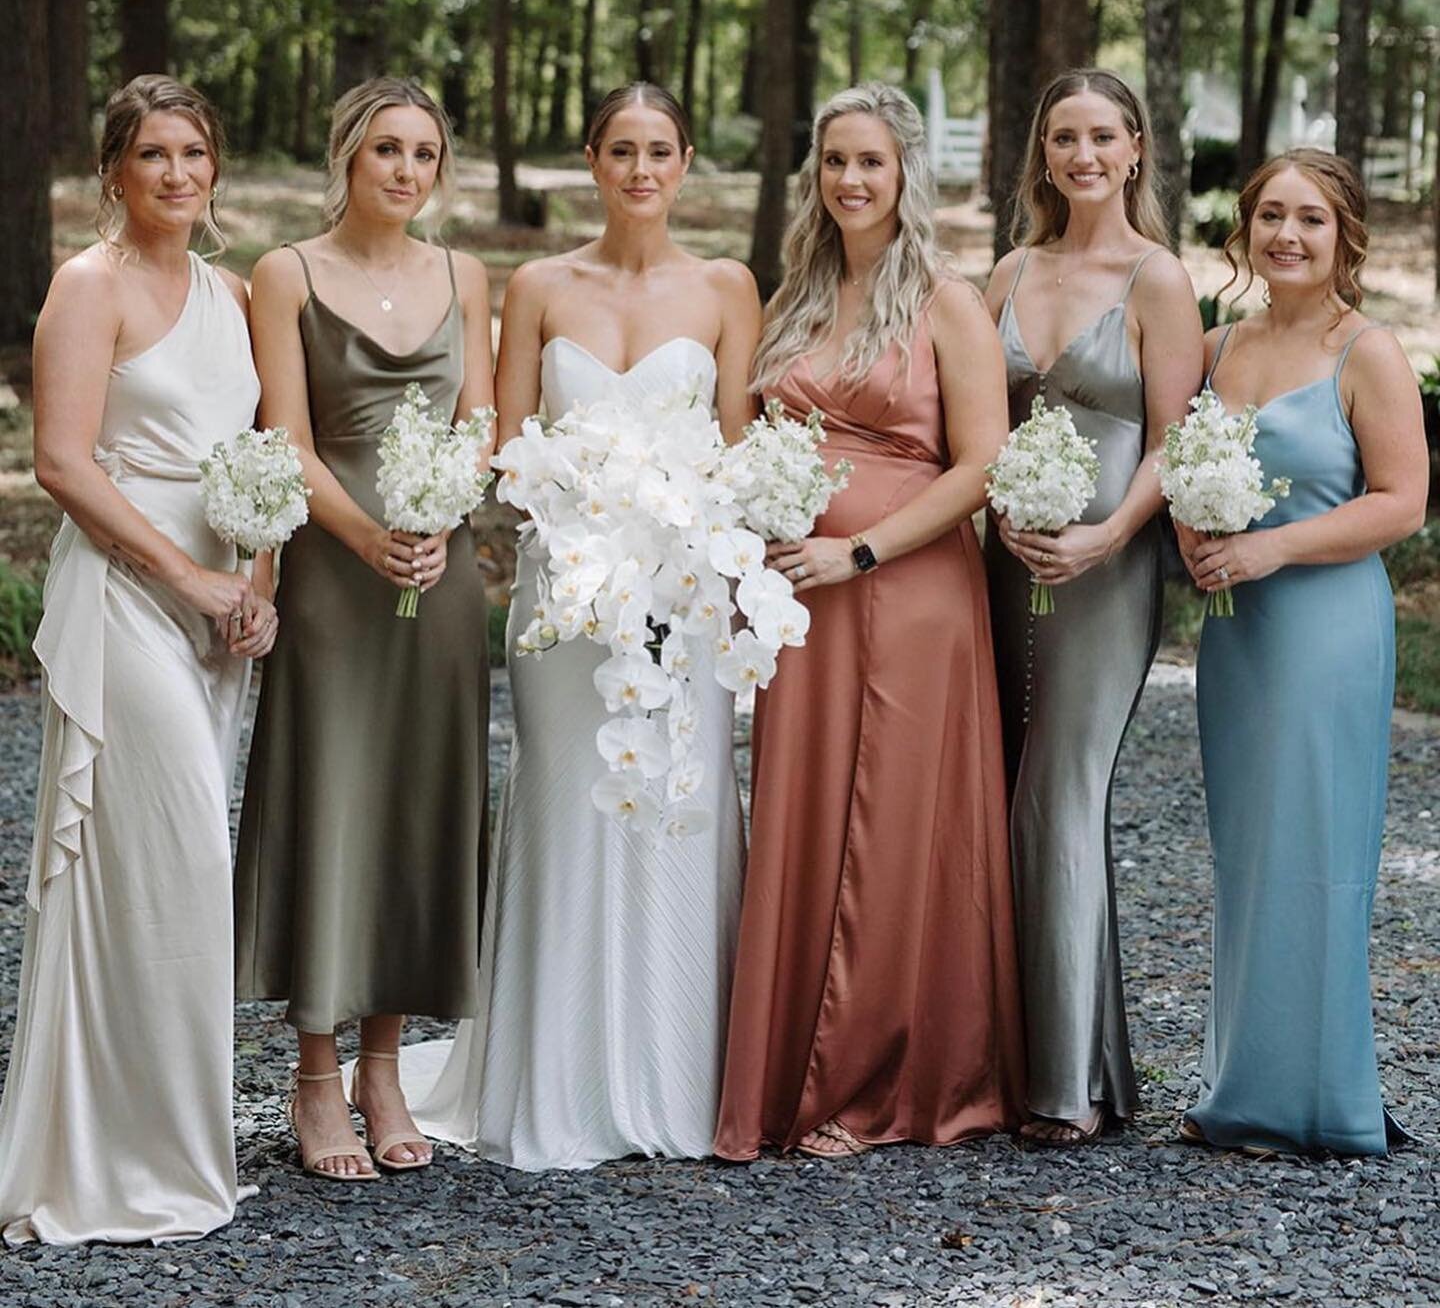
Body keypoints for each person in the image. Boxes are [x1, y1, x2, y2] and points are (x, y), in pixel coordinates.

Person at [395, 81, 761, 1170]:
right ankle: (549, 1074)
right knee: (567, 798)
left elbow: (736, 445)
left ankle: (676, 1068)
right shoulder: (542, 284)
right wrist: (571, 493)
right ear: (592, 161)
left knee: (676, 798)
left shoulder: (727, 286)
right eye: (620, 150)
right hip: (567, 590)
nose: (640, 170)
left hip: (682, 590)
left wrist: (685, 515)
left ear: (685, 160)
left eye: (659, 150)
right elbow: (506, 440)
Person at [714, 81, 1024, 1161]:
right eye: (835, 160)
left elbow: (982, 464)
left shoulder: (946, 297)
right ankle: (790, 1061)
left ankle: (879, 1079)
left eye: (873, 163)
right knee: (808, 818)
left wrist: (858, 549)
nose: (852, 180)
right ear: (816, 173)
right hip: (798, 601)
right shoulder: (795, 292)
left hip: (904, 591)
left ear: (906, 177)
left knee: (891, 827)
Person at [0, 76, 275, 1244]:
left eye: (194, 153)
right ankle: (116, 1158)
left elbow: (259, 452)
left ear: (216, 170)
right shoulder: (87, 285)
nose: (176, 173)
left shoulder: (236, 290)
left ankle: (166, 1135)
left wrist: (253, 579)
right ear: (112, 170)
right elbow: (64, 461)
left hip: (218, 607)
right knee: (178, 861)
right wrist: (190, 576)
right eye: (152, 154)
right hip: (125, 596)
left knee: (165, 871)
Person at [234, 76, 493, 1179]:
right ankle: (313, 1074)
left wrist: (442, 516)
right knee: (332, 795)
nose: (405, 170)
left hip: (440, 577)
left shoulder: (465, 272)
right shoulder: (283, 273)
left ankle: (386, 1064)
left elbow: (480, 423)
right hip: (337, 578)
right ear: (346, 154)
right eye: (386, 148)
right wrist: (365, 535)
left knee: (411, 804)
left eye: (425, 153)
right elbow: (285, 438)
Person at [1178, 149, 1426, 1157]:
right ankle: (1244, 1085)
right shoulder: (1215, 346)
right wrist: (1192, 536)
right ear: (1244, 228)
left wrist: (1269, 544)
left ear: (1344, 236)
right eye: (1271, 214)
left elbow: (1401, 501)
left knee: (1317, 851)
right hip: (1237, 639)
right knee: (1248, 851)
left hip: (1326, 628)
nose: (1288, 233)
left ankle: (1324, 1098)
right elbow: (1180, 463)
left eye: (1310, 218)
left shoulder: (1368, 350)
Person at [983, 69, 1202, 1144]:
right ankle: (1057, 1055)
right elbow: (973, 420)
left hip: (1106, 565)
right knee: (1004, 783)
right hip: (1003, 560)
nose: (1081, 154)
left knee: (1061, 789)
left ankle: (1062, 1083)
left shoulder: (1159, 279)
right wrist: (993, 515)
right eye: (1062, 134)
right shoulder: (1009, 271)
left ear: (1135, 150)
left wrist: (1110, 534)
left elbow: (1174, 438)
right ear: (1044, 152)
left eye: (1100, 136)